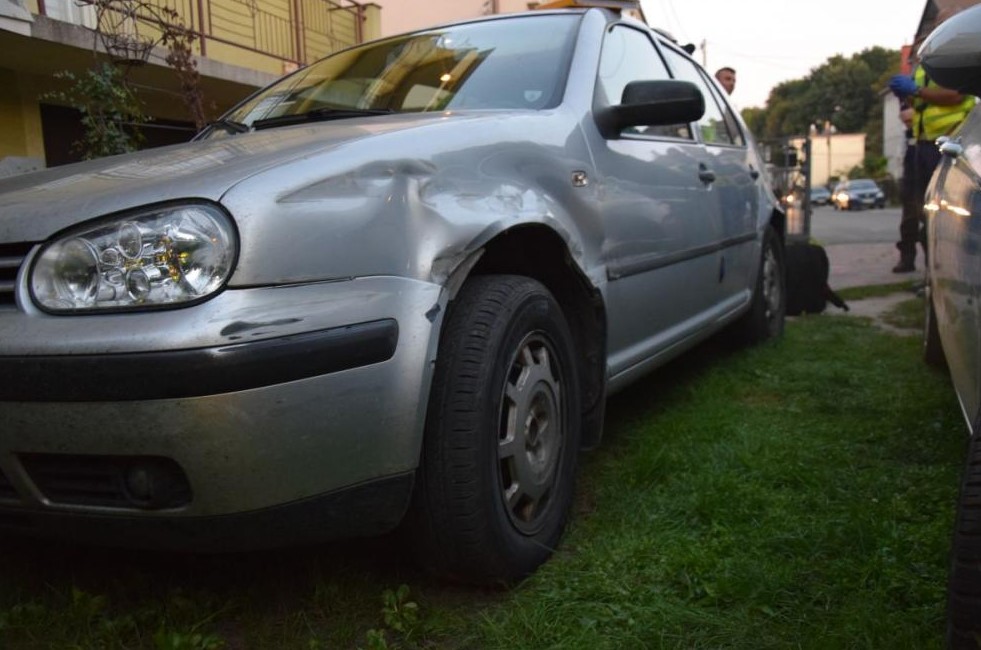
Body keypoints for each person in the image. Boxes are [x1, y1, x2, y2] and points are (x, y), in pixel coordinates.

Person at [888, 21, 975, 273]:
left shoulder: (952, 70)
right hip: (920, 144)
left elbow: (954, 96)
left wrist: (916, 90)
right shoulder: (919, 72)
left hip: (951, 145)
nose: (917, 56)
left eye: (921, 50)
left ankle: (938, 268)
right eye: (915, 52)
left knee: (940, 209)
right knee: (914, 207)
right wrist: (906, 104)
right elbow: (918, 103)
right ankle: (913, 261)